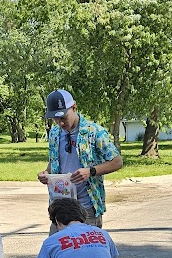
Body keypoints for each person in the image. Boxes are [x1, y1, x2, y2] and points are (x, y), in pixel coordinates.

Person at [37, 89, 122, 229]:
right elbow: (55, 161)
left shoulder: (94, 132)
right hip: (60, 207)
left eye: (63, 117)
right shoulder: (54, 133)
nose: (60, 123)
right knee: (56, 248)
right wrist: (46, 174)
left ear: (74, 107)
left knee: (87, 250)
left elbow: (117, 162)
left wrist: (91, 171)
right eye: (55, 119)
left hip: (86, 208)